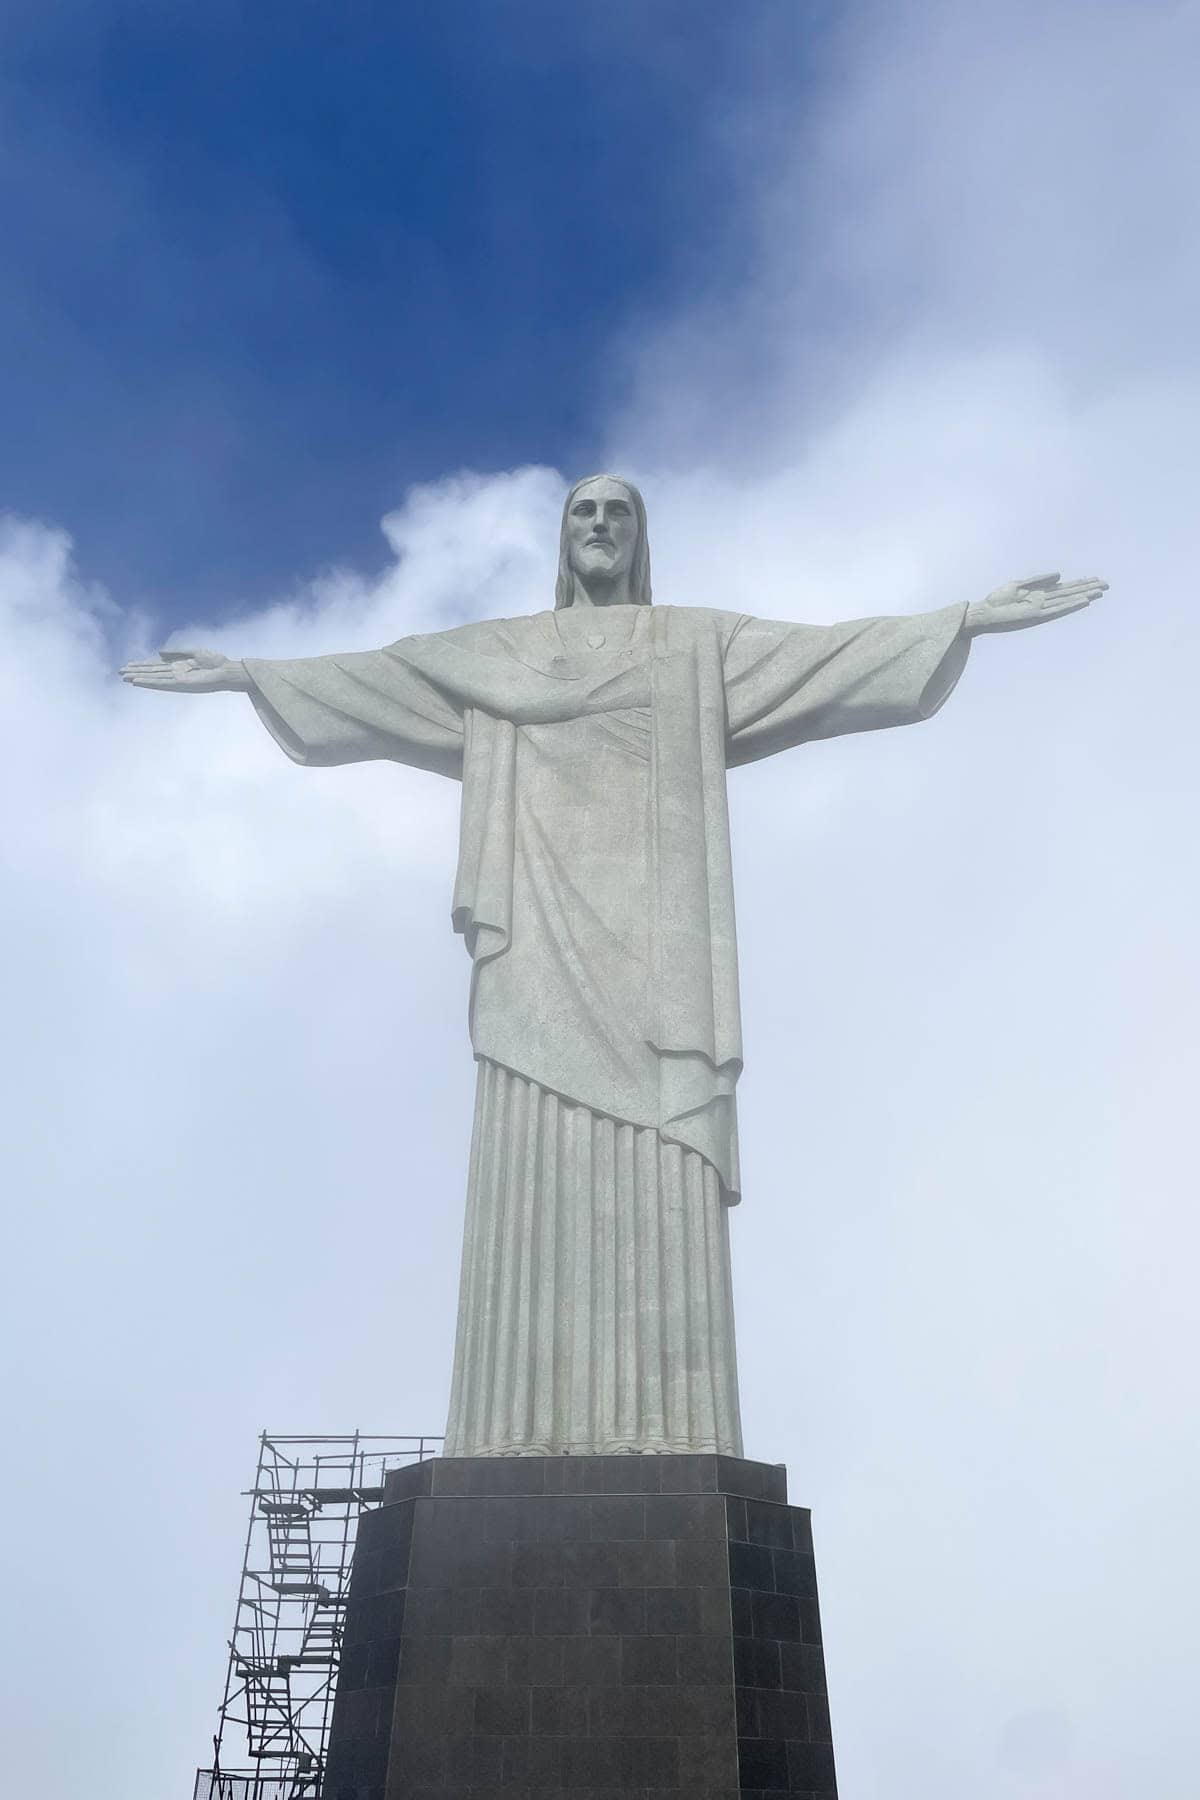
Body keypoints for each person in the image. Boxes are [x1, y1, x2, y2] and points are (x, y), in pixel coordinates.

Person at [121, 475, 1106, 1457]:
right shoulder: (497, 655)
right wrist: (248, 674)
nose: (599, 527)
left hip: (663, 961)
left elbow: (825, 659)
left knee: (663, 1151)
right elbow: (377, 680)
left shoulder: (693, 645)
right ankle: (506, 1433)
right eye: (583, 513)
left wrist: (966, 619)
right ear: (564, 538)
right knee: (528, 1147)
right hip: (537, 952)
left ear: (637, 538)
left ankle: (675, 1431)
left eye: (617, 514)